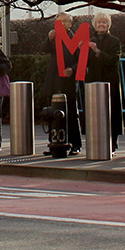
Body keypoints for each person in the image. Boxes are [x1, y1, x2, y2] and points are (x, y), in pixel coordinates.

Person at [84, 12, 124, 153]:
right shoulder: (89, 40)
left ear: (108, 25)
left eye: (104, 23)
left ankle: (112, 143)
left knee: (110, 111)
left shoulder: (115, 41)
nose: (102, 25)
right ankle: (95, 142)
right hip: (94, 79)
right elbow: (85, 62)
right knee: (94, 112)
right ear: (95, 25)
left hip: (109, 80)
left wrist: (97, 51)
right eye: (99, 23)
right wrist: (80, 50)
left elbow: (113, 59)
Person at [43, 13, 82, 155]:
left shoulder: (75, 38)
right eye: (59, 22)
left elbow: (82, 59)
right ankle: (54, 143)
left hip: (68, 80)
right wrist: (49, 39)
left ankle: (75, 144)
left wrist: (73, 69)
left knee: (71, 113)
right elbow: (44, 49)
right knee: (53, 113)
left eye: (65, 22)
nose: (62, 24)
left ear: (70, 24)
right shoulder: (55, 38)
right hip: (54, 80)